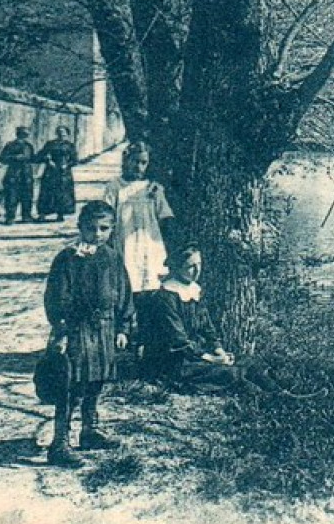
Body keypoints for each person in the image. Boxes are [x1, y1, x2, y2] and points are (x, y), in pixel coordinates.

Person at [42, 201, 134, 466]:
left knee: (97, 380)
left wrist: (123, 327)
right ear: (80, 227)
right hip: (76, 329)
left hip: (105, 328)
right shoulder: (68, 259)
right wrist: (61, 330)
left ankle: (90, 431)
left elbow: (123, 293)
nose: (97, 234)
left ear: (112, 229)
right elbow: (55, 298)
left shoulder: (113, 257)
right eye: (91, 228)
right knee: (71, 384)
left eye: (104, 228)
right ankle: (60, 442)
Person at [136, 246, 278, 395]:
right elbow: (178, 341)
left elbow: (207, 328)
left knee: (250, 362)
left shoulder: (194, 290)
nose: (197, 271)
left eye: (199, 264)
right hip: (174, 361)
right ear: (177, 268)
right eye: (191, 266)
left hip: (196, 354)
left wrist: (219, 351)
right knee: (232, 373)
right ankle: (267, 399)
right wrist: (212, 359)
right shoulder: (166, 296)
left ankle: (280, 393)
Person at [105, 142, 174, 293]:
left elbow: (165, 216)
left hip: (150, 244)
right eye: (135, 161)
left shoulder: (153, 188)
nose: (139, 167)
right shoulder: (115, 187)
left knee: (151, 280)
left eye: (144, 163)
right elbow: (107, 215)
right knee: (128, 279)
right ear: (126, 160)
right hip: (125, 242)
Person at [36, 127, 79, 222]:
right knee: (46, 193)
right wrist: (48, 160)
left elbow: (75, 160)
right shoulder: (50, 144)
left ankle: (60, 214)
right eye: (59, 133)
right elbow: (40, 155)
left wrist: (67, 165)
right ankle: (42, 214)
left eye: (63, 134)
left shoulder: (70, 146)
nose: (61, 135)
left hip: (64, 172)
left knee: (62, 194)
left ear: (67, 134)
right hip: (50, 171)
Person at [0, 126, 37, 222]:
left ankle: (26, 216)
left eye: (26, 135)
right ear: (18, 134)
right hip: (13, 174)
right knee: (11, 196)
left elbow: (33, 158)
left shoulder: (29, 146)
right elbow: (2, 158)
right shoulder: (10, 145)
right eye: (23, 134)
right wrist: (15, 157)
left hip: (27, 174)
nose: (24, 137)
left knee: (27, 196)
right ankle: (10, 217)